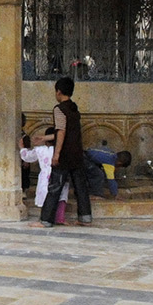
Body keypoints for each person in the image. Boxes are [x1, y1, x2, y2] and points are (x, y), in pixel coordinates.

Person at [38, 76, 89, 226]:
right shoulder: (74, 108)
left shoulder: (59, 109)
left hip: (65, 154)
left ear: (58, 92)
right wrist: (44, 137)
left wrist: (57, 154)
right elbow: (69, 131)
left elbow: (61, 132)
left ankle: (46, 219)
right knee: (80, 186)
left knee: (55, 186)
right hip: (77, 153)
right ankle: (85, 217)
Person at [20, 125, 56, 208]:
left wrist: (22, 148)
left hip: (44, 177)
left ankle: (45, 216)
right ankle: (59, 216)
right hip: (59, 176)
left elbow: (28, 157)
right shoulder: (61, 151)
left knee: (44, 195)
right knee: (60, 197)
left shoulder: (40, 149)